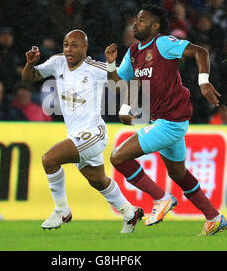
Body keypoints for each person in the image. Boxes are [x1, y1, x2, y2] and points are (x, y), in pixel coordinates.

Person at [104, 4, 227, 236]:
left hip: (170, 122)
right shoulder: (133, 52)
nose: (136, 23)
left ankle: (161, 198)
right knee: (178, 173)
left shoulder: (162, 43)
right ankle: (214, 217)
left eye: (142, 19)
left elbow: (200, 52)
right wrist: (111, 65)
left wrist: (203, 81)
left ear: (155, 26)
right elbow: (119, 83)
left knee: (118, 157)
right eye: (136, 19)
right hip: (166, 120)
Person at [22, 30, 143, 233]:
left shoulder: (94, 67)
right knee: (97, 180)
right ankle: (130, 213)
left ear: (85, 48)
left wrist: (112, 63)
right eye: (66, 44)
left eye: (75, 45)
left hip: (93, 133)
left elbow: (118, 85)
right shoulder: (57, 62)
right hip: (76, 135)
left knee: (49, 159)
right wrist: (30, 63)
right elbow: (29, 78)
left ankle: (62, 210)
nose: (69, 49)